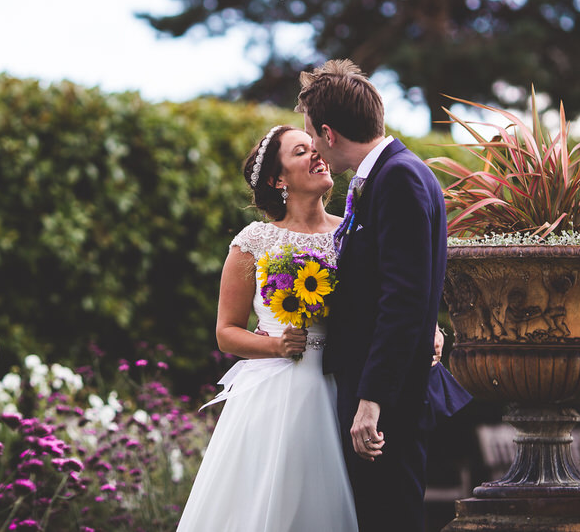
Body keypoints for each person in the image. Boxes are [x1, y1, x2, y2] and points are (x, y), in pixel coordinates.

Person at [297, 59, 454, 532]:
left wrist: (371, 401)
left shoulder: (399, 178)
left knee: (389, 518)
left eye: (311, 135)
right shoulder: (386, 175)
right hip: (383, 391)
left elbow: (402, 299)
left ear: (328, 133)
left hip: (389, 403)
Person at [176, 125, 358, 531]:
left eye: (316, 148)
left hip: (340, 388)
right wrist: (277, 345)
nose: (317, 155)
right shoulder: (254, 241)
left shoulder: (351, 232)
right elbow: (226, 332)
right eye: (301, 152)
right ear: (279, 180)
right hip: (275, 394)